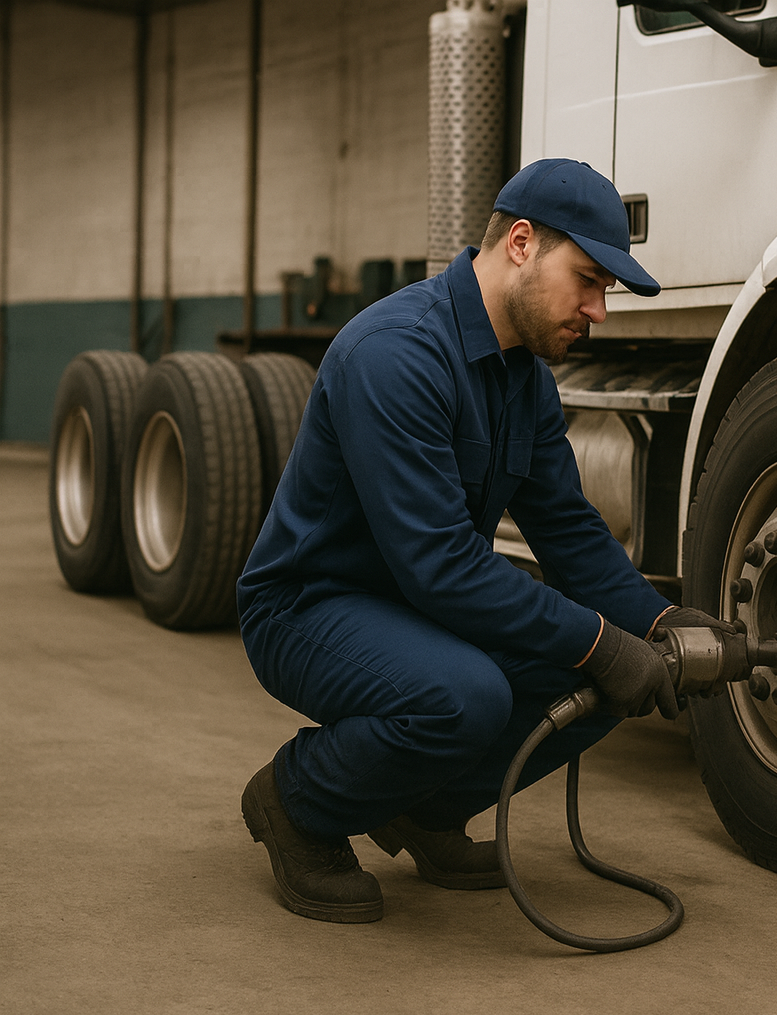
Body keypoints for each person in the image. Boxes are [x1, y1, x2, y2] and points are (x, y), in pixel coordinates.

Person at [237, 158, 725, 923]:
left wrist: (659, 623)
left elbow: (567, 528)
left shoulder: (523, 377)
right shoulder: (394, 353)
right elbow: (441, 567)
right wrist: (600, 641)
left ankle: (423, 810)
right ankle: (297, 799)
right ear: (521, 243)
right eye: (589, 280)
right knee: (466, 695)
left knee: (609, 683)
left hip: (416, 606)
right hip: (308, 607)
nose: (599, 310)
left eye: (606, 290)